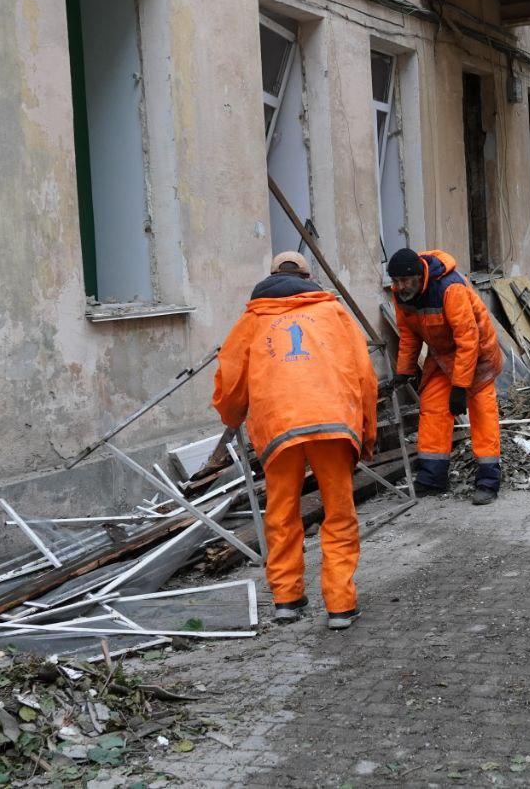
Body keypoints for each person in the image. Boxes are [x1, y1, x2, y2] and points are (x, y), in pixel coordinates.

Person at [212, 251, 377, 630]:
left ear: (271, 276)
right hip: (332, 424)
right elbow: (365, 376)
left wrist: (233, 415)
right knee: (338, 513)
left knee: (282, 513)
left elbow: (230, 377)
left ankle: (287, 599)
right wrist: (366, 433)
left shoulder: (252, 319)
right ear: (307, 277)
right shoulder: (333, 313)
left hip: (278, 427)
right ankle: (339, 606)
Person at [385, 248, 503, 505]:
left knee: (482, 411)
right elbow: (408, 335)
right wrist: (403, 371)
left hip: (478, 354)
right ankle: (432, 478)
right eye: (395, 281)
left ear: (419, 276)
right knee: (433, 409)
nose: (399, 286)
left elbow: (468, 340)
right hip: (442, 356)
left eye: (404, 281)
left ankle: (488, 480)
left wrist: (460, 388)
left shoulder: (450, 288)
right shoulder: (401, 295)